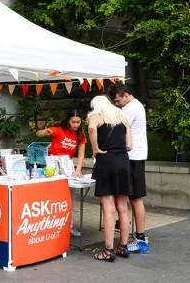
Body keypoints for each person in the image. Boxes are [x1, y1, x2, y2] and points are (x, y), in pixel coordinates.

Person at [88, 95, 133, 261]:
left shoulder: (96, 116)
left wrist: (95, 148)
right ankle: (123, 246)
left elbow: (92, 128)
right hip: (123, 162)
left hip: (106, 162)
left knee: (108, 208)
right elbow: (129, 145)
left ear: (95, 107)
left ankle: (108, 250)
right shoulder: (121, 117)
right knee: (123, 207)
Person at [36, 109, 86, 237]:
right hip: (53, 163)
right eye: (73, 122)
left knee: (70, 197)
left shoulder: (80, 134)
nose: (76, 125)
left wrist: (78, 169)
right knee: (54, 196)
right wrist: (45, 132)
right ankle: (51, 226)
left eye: (78, 122)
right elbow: (39, 134)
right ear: (68, 121)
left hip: (68, 164)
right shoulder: (59, 130)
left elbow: (81, 154)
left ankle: (69, 226)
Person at [112, 84, 149, 253]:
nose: (118, 103)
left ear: (126, 95)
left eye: (118, 100)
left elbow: (116, 126)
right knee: (132, 196)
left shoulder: (131, 108)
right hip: (134, 156)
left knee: (136, 198)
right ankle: (134, 232)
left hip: (134, 157)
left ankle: (141, 238)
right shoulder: (133, 106)